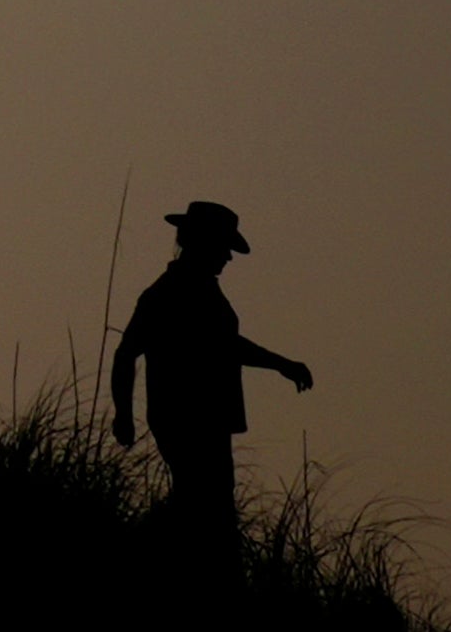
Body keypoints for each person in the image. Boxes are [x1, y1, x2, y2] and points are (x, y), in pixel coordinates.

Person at [107, 200, 310, 532]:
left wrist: (280, 364)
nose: (228, 257)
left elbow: (224, 345)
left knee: (204, 502)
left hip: (205, 418)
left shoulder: (197, 290)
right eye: (223, 247)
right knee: (204, 505)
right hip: (188, 417)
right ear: (202, 243)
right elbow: (126, 353)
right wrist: (123, 415)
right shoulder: (170, 292)